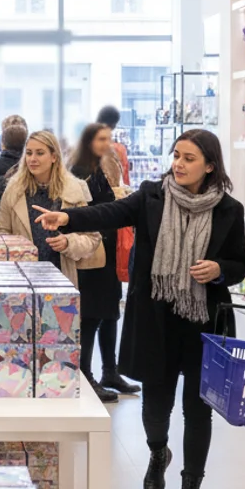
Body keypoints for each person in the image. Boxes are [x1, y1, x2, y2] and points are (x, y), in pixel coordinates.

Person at [33, 129, 245, 489]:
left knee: (199, 410)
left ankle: (191, 482)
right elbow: (111, 212)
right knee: (156, 404)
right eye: (176, 155)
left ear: (210, 166)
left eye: (189, 158)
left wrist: (219, 270)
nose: (178, 164)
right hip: (156, 316)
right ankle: (157, 452)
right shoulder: (153, 195)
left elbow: (239, 264)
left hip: (204, 322)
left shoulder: (230, 210)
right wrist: (67, 218)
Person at [0, 130, 111, 402]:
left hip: (60, 283)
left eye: (40, 153)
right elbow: (1, 233)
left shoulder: (73, 190)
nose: (33, 159)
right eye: (29, 153)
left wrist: (68, 242)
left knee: (58, 354)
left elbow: (91, 238)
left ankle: (57, 408)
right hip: (20, 285)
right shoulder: (13, 190)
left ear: (54, 157)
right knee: (18, 352)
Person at [68, 123, 140, 399]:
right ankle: (86, 373)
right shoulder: (80, 171)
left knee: (110, 312)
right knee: (92, 315)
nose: (107, 143)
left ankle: (110, 371)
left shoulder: (99, 167)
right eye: (101, 139)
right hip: (92, 252)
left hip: (108, 251)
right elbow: (88, 209)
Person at [96, 105, 131, 185]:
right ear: (114, 124)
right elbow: (124, 176)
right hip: (114, 190)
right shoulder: (119, 149)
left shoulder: (88, 142)